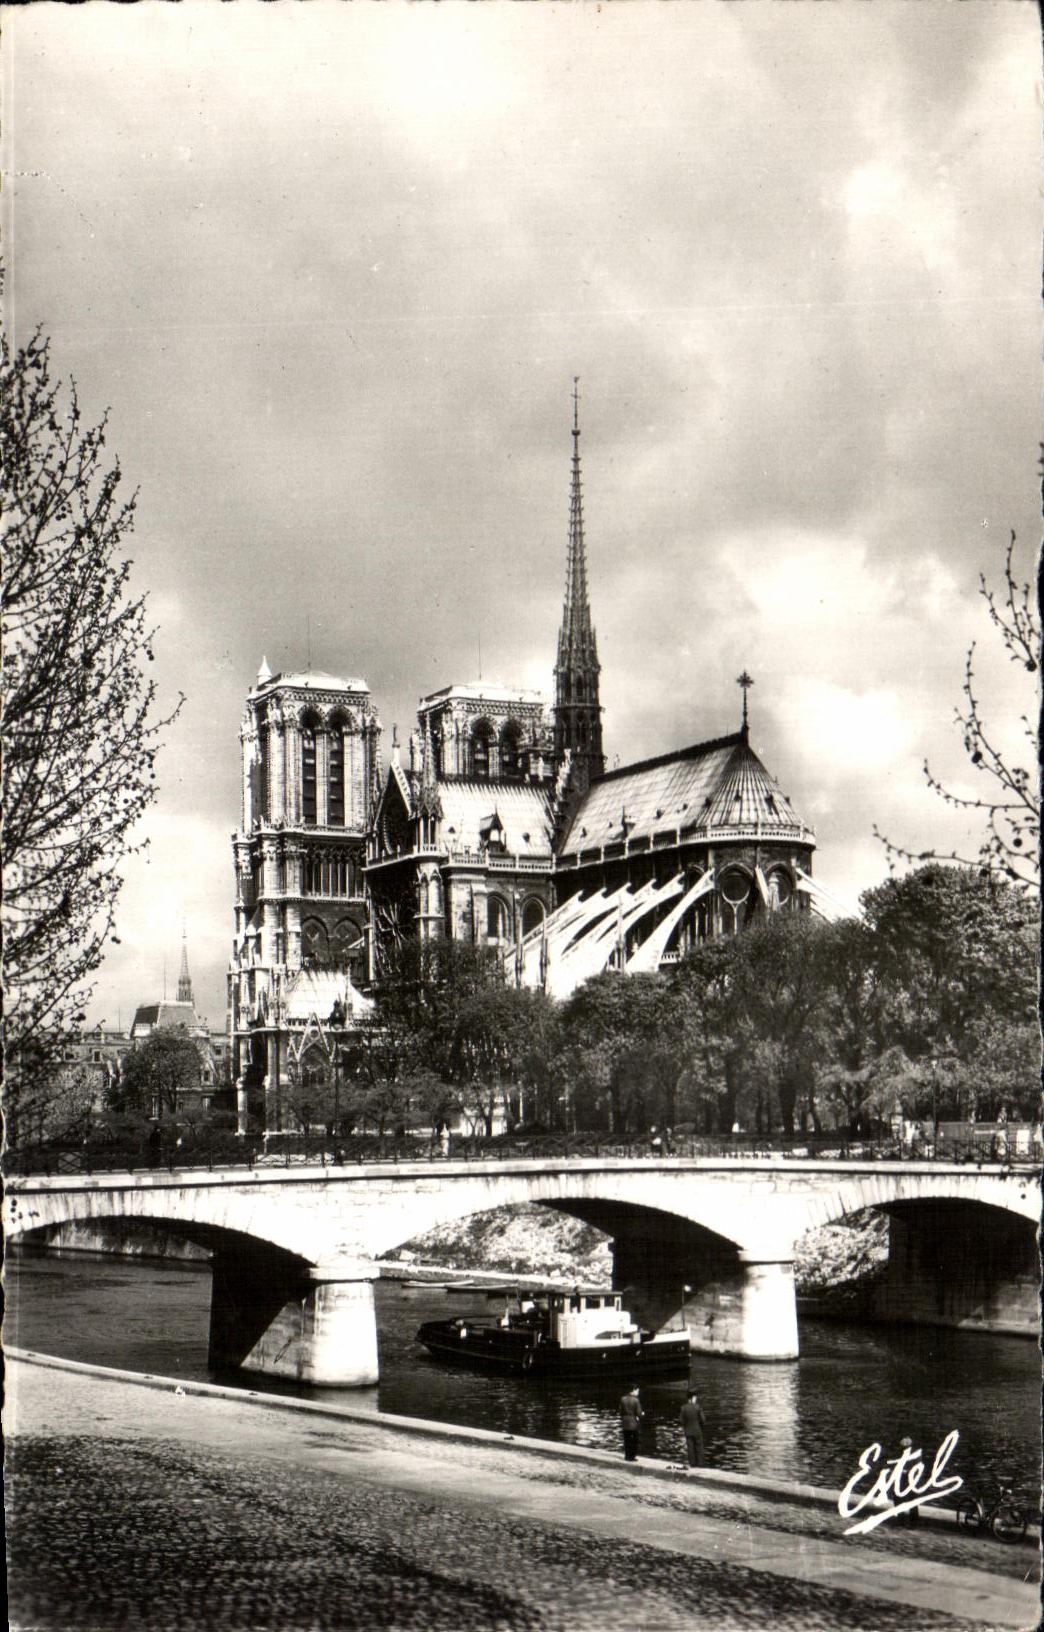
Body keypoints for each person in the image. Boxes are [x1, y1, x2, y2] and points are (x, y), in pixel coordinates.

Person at [679, 1388, 707, 1468]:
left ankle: (692, 1464)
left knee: (690, 1448)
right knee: (699, 1447)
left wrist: (685, 1425)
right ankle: (700, 1464)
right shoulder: (698, 1407)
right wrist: (700, 1426)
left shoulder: (683, 1408)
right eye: (695, 1397)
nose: (696, 1399)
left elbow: (681, 1420)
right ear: (693, 1398)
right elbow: (703, 1420)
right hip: (697, 1431)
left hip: (688, 1431)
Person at [619, 1385, 643, 1462]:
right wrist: (642, 1414)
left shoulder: (623, 1399)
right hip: (633, 1422)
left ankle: (627, 1456)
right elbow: (639, 1413)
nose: (638, 1393)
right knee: (634, 1440)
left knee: (626, 1439)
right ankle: (632, 1456)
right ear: (633, 1390)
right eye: (637, 1391)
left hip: (625, 1421)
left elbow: (621, 1411)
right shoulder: (636, 1400)